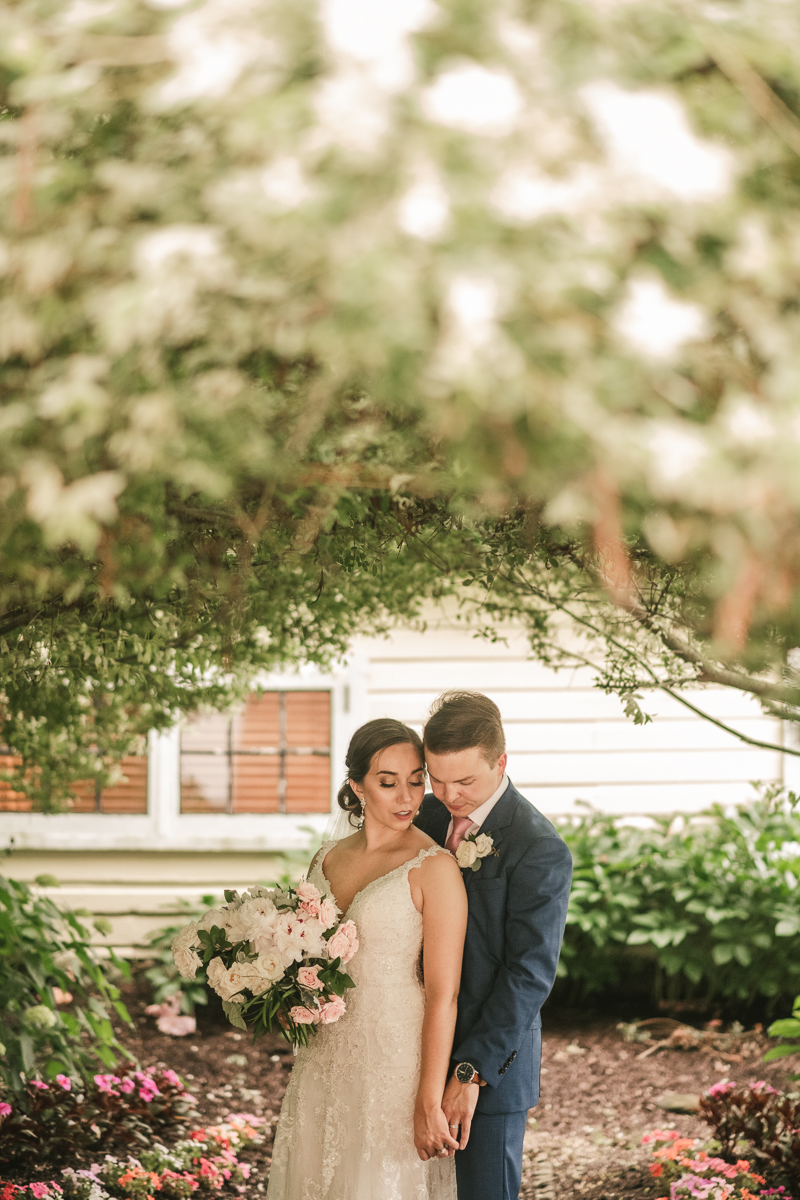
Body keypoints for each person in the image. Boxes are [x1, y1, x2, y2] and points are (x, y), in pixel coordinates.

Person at [268, 717, 468, 1200]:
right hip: (324, 1055)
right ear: (356, 786)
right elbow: (301, 956)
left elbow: (445, 993)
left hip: (395, 1062)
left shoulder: (435, 868)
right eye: (387, 782)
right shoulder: (324, 860)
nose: (407, 797)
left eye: (416, 781)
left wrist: (427, 1099)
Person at [415, 691, 573, 1200]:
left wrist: (470, 1073)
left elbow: (529, 973)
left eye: (464, 781)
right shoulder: (424, 817)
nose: (447, 794)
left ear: (500, 762)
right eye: (436, 778)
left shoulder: (538, 847)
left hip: (486, 1065)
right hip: (407, 1047)